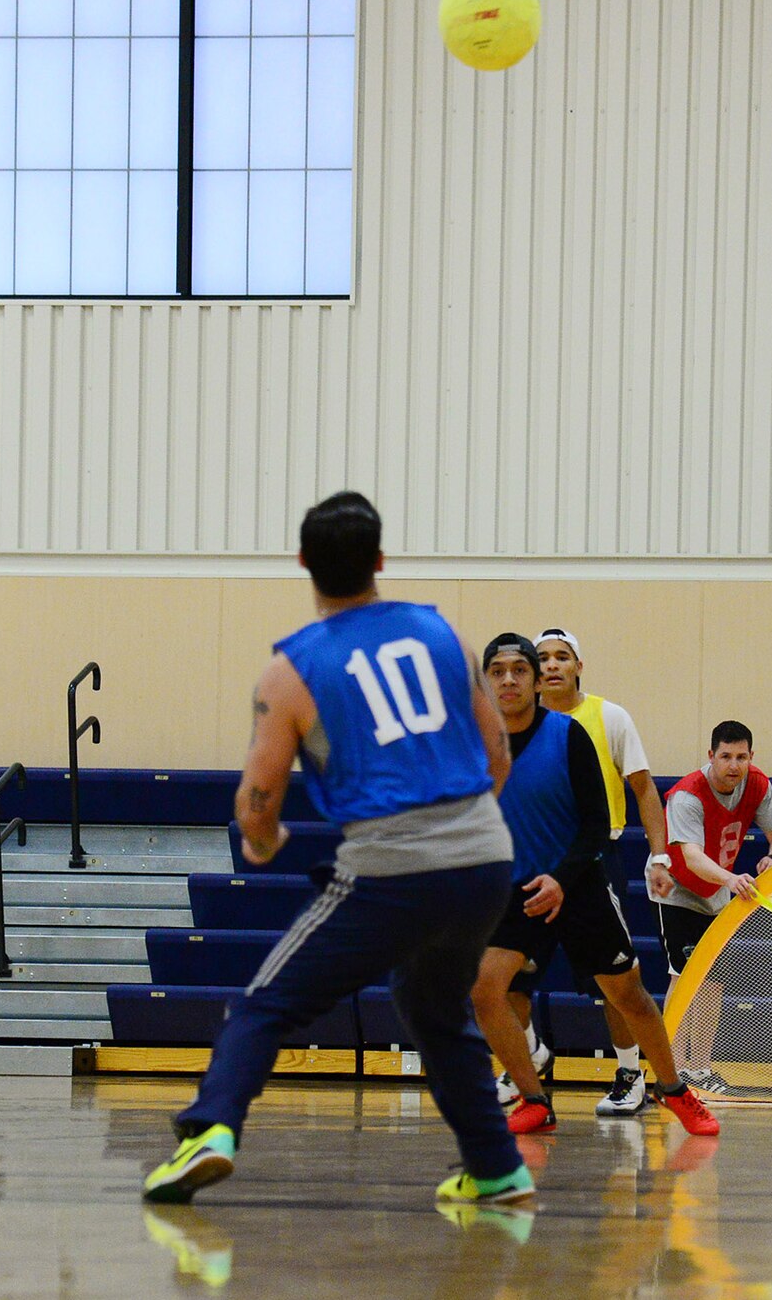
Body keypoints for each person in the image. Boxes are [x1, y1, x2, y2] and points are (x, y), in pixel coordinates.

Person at [143, 492, 531, 1209]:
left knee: (265, 1003)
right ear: (381, 560)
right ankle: (497, 1165)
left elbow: (260, 795)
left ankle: (211, 1130)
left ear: (302, 563)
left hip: (389, 865)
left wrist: (264, 840)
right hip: (484, 856)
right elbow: (497, 752)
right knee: (433, 1006)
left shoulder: (290, 670)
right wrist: (464, 837)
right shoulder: (443, 634)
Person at [469, 634, 720, 1138]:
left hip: (578, 882)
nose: (510, 679)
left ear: (538, 681)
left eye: (520, 669)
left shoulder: (567, 734)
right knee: (485, 991)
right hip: (513, 888)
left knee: (627, 994)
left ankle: (672, 1089)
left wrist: (561, 880)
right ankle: (534, 1098)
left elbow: (594, 822)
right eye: (498, 671)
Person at [487, 627, 668, 1118]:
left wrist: (659, 853)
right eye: (541, 658)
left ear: (578, 666)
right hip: (522, 866)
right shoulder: (491, 732)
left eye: (560, 657)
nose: (551, 666)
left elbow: (644, 789)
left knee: (613, 984)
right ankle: (524, 1063)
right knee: (506, 984)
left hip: (590, 862)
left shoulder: (606, 718)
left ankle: (631, 1072)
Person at [654, 722, 772, 1093]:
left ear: (751, 757)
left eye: (741, 757)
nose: (734, 765)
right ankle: (673, 1071)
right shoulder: (686, 796)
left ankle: (701, 1068)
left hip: (718, 892)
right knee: (682, 978)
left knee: (713, 984)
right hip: (680, 889)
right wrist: (731, 880)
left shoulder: (758, 784)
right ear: (711, 756)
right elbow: (693, 857)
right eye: (726, 756)